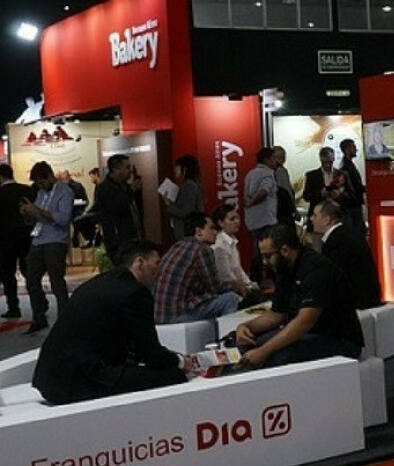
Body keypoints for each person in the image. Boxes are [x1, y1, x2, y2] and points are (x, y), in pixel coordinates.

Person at [32, 241, 191, 404]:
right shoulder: (135, 293)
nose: (160, 271)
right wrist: (180, 361)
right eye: (157, 263)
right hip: (77, 380)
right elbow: (150, 354)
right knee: (174, 376)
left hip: (50, 377)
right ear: (140, 263)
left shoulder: (102, 282)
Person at [234, 223, 363, 368]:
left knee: (276, 356)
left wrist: (263, 351)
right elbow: (277, 314)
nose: (264, 262)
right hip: (310, 334)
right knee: (248, 344)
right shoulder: (284, 269)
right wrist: (246, 326)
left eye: (268, 256)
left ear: (285, 250)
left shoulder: (317, 269)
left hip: (338, 339)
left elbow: (304, 322)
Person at [154, 212, 240, 324]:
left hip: (161, 316)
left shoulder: (176, 246)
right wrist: (236, 286)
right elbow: (217, 288)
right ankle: (228, 334)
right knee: (230, 299)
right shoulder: (202, 250)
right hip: (180, 315)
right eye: (212, 228)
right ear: (199, 231)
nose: (216, 232)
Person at [20, 161, 74, 334]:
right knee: (31, 279)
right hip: (38, 240)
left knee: (56, 282)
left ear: (50, 176)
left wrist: (36, 210)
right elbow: (36, 219)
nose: (40, 186)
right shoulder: (40, 193)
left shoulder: (65, 192)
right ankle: (39, 316)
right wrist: (28, 214)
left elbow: (63, 219)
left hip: (56, 241)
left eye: (42, 182)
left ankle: (64, 318)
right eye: (37, 183)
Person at [311, 199, 382, 310]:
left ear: (326, 220)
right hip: (365, 298)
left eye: (315, 216)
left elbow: (332, 278)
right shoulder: (347, 234)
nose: (311, 219)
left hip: (358, 303)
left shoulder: (338, 241)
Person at [211, 203, 264, 308]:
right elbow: (226, 276)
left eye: (237, 218)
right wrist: (246, 287)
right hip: (229, 292)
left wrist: (249, 283)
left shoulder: (232, 241)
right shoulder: (219, 246)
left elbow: (238, 269)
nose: (237, 222)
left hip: (239, 287)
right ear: (220, 223)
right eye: (232, 219)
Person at [96, 154, 144, 265]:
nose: (130, 171)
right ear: (116, 169)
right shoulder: (105, 189)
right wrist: (131, 191)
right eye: (127, 167)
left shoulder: (125, 186)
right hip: (118, 242)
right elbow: (116, 208)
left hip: (133, 239)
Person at [0, 163, 33, 319]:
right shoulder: (27, 190)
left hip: (5, 239)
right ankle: (39, 302)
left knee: (8, 273)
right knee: (30, 272)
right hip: (26, 236)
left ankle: (13, 307)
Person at [243, 146, 278, 282]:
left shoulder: (250, 174)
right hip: (265, 219)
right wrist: (252, 202)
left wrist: (248, 204)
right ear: (267, 159)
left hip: (252, 220)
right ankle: (266, 279)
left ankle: (255, 279)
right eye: (273, 158)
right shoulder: (267, 173)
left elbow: (246, 195)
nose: (276, 161)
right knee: (267, 251)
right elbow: (264, 191)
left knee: (257, 250)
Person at [302, 146, 346, 241]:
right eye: (324, 162)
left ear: (334, 159)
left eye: (330, 162)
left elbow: (350, 195)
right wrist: (320, 194)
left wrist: (340, 194)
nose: (327, 165)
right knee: (318, 246)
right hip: (318, 219)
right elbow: (306, 196)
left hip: (336, 218)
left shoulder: (341, 174)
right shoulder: (312, 176)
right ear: (320, 160)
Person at [164, 154, 205, 240]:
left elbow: (186, 212)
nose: (174, 170)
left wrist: (168, 204)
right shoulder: (191, 185)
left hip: (187, 232)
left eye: (177, 167)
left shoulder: (189, 186)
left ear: (185, 169)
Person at [338, 138, 366, 235]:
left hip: (354, 205)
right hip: (351, 206)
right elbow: (351, 188)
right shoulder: (345, 167)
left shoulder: (349, 165)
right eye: (353, 147)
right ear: (347, 149)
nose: (356, 149)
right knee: (354, 233)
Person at [72, 167, 102, 248]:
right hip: (72, 214)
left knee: (78, 220)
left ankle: (94, 239)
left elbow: (84, 201)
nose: (90, 179)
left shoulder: (77, 186)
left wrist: (73, 202)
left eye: (91, 177)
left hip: (80, 212)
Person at [272, 145, 298, 227]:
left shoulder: (267, 171)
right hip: (283, 211)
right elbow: (286, 191)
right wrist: (294, 210)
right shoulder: (280, 171)